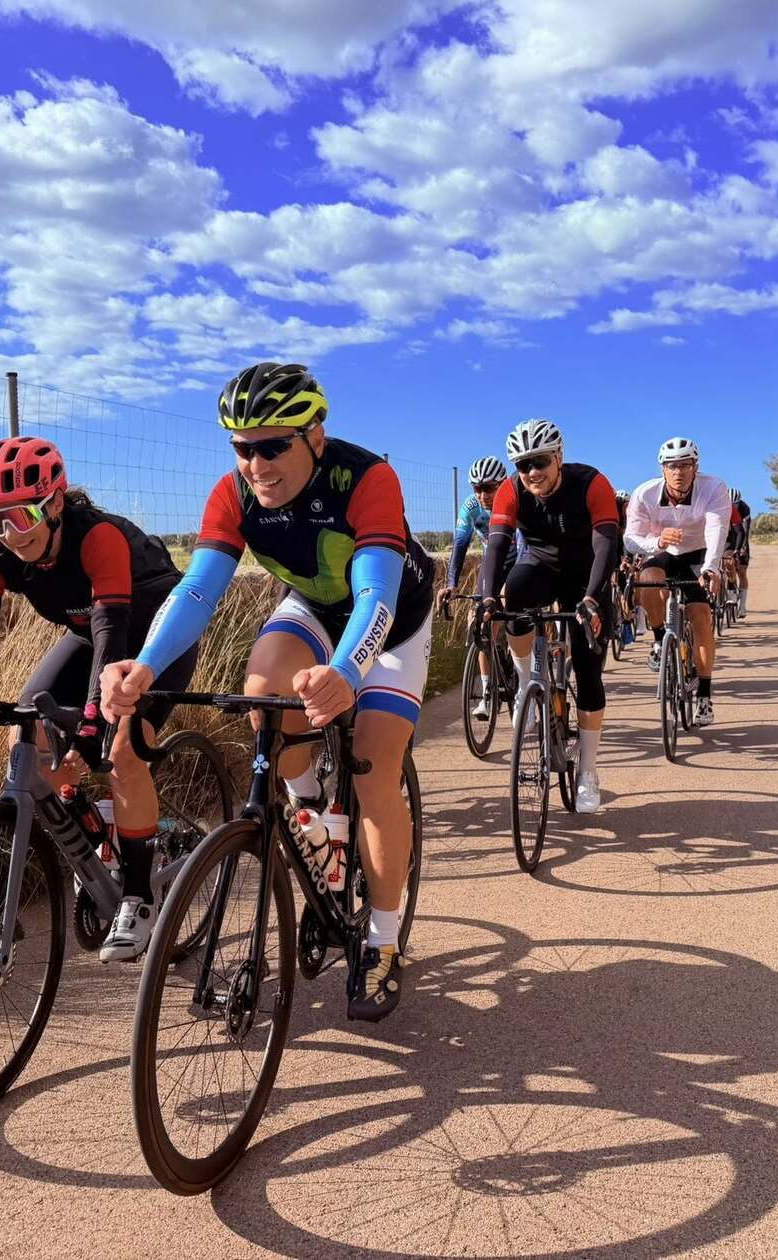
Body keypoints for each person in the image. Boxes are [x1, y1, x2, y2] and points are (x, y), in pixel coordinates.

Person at [100, 362, 433, 1023]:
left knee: (373, 768)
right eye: (242, 448)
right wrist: (143, 666)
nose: (257, 465)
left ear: (315, 436)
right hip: (313, 607)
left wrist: (347, 673)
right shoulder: (234, 494)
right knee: (263, 697)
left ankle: (383, 938)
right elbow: (198, 590)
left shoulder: (365, 477)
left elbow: (376, 594)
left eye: (273, 446)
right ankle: (313, 816)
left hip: (392, 623)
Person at [0, 435, 197, 962]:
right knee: (25, 735)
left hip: (155, 640)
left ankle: (140, 894)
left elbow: (111, 635)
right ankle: (97, 833)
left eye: (20, 516)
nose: (9, 533)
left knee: (123, 749)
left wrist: (95, 726)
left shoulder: (97, 536)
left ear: (53, 504)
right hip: (90, 635)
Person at [477, 418, 619, 814]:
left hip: (586, 574)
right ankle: (526, 681)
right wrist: (487, 599)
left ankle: (588, 770)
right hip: (540, 566)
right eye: (523, 465)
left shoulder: (592, 483)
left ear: (558, 457)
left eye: (539, 462)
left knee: (587, 670)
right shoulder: (510, 490)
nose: (532, 472)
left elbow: (606, 544)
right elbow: (496, 546)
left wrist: (592, 598)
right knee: (514, 594)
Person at [624, 437, 732, 725]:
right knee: (647, 579)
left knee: (701, 616)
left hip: (698, 555)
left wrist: (711, 568)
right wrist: (657, 542)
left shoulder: (713, 488)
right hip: (662, 552)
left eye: (685, 465)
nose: (679, 471)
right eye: (672, 466)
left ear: (695, 467)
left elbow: (716, 529)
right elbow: (630, 538)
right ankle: (660, 639)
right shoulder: (644, 494)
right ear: (663, 469)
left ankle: (705, 696)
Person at [442, 455, 514, 721]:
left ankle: (521, 671)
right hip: (493, 562)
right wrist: (451, 584)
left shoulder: (514, 499)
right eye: (477, 488)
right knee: (479, 623)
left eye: (489, 488)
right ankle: (487, 692)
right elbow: (460, 545)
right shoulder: (471, 506)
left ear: (502, 484)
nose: (482, 495)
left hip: (519, 559)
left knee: (513, 603)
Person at [726, 487, 753, 616]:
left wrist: (743, 548)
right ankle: (730, 592)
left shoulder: (744, 508)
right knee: (728, 565)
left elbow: (745, 532)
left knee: (741, 571)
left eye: (735, 504)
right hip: (728, 538)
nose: (734, 507)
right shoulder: (721, 506)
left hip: (740, 537)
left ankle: (742, 606)